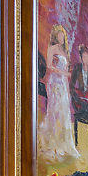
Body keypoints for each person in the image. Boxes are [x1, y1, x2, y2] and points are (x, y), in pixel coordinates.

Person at [36, 24, 79, 160]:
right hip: (54, 82)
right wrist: (63, 73)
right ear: (55, 36)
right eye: (59, 35)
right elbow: (49, 66)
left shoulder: (64, 51)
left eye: (62, 35)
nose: (61, 38)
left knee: (63, 112)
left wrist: (67, 74)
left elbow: (66, 68)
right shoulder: (53, 48)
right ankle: (51, 143)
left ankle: (64, 144)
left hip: (63, 83)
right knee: (55, 111)